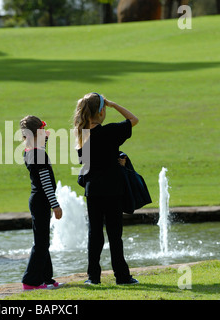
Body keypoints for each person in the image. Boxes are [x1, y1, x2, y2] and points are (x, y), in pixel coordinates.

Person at [73, 92, 139, 285]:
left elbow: (87, 163)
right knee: (114, 235)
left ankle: (93, 277)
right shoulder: (110, 131)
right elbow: (133, 119)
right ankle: (122, 276)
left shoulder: (81, 136)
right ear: (101, 111)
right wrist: (114, 104)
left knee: (94, 234)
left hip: (93, 190)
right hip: (112, 189)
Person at [20, 115, 63, 291]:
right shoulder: (38, 154)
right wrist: (56, 205)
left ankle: (46, 277)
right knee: (41, 243)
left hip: (37, 200)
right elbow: (45, 182)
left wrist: (43, 137)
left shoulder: (30, 150)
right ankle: (31, 280)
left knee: (43, 240)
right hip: (42, 201)